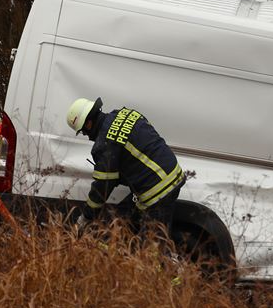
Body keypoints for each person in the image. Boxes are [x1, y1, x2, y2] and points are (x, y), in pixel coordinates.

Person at [66, 97, 185, 239]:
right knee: (121, 219)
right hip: (172, 171)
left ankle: (165, 259)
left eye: (84, 132)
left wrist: (86, 217)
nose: (87, 136)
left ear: (88, 124)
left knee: (151, 247)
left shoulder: (104, 145)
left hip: (157, 190)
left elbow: (101, 189)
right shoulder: (124, 113)